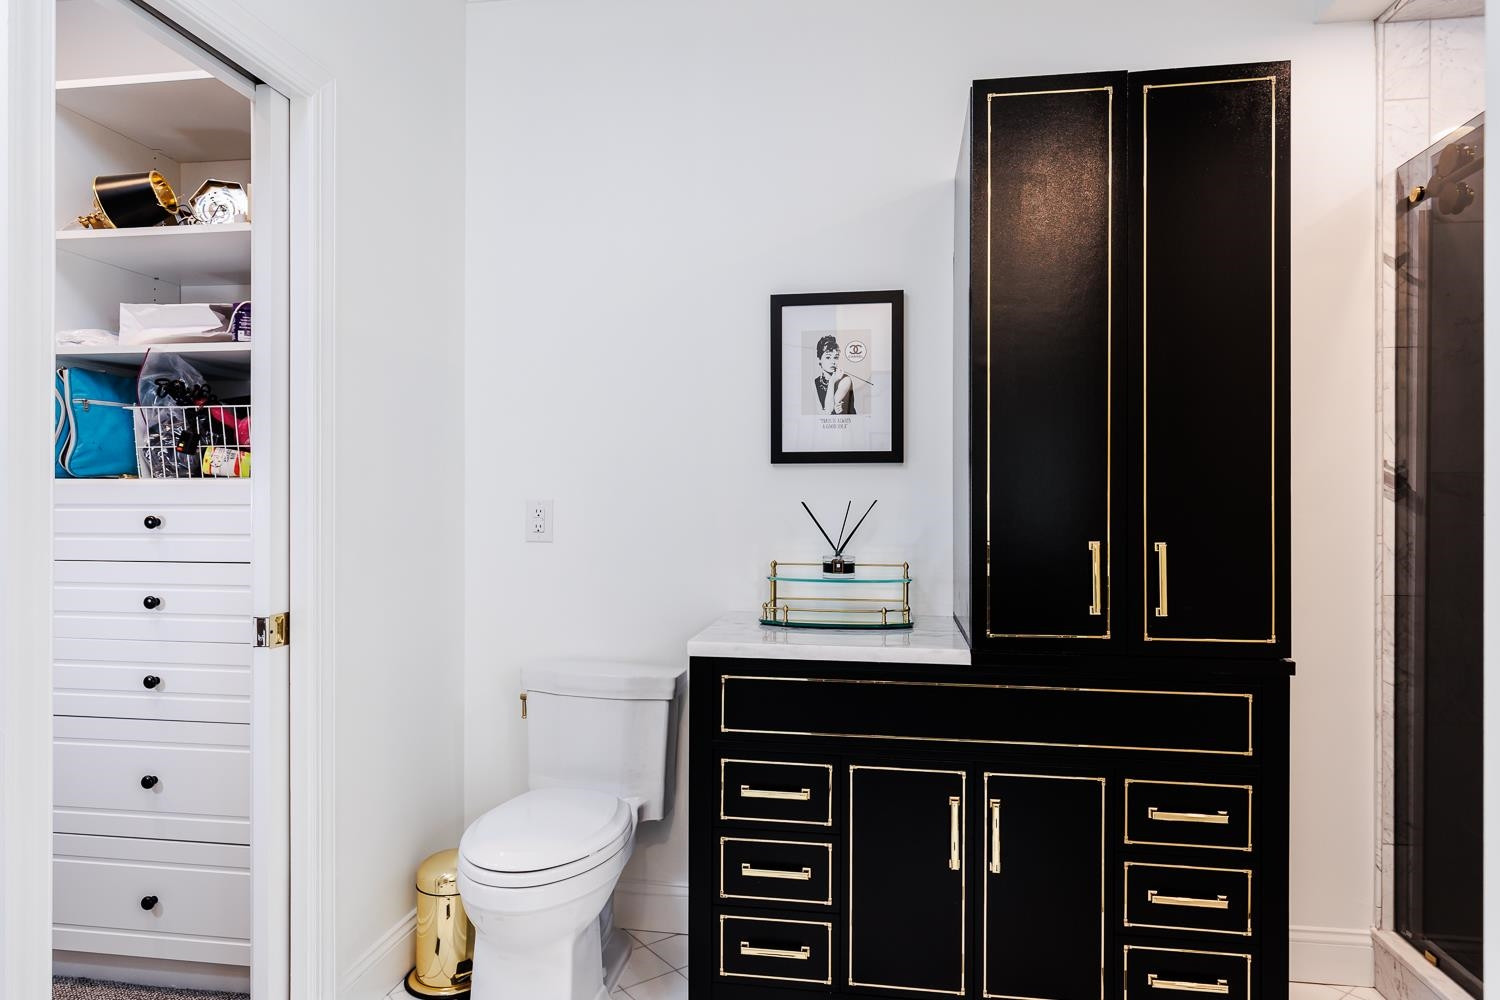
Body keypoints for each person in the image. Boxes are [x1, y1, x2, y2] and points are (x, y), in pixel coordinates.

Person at [813, 334, 856, 415]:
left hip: (849, 424)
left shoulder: (846, 380)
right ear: (819, 360)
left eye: (835, 357)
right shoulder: (816, 382)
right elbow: (820, 412)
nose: (833, 361)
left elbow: (828, 410)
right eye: (828, 357)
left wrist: (832, 381)